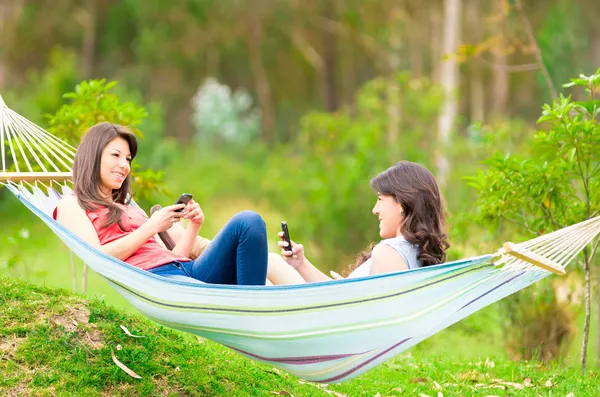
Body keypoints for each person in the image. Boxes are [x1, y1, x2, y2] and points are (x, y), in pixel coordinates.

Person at [54, 122, 268, 286]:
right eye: (116, 155)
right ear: (93, 157)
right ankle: (255, 311)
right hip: (162, 283)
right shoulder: (72, 204)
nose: (124, 165)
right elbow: (97, 257)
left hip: (186, 272)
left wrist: (194, 225)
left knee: (249, 222)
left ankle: (253, 307)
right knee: (246, 221)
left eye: (128, 159)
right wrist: (152, 226)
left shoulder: (128, 207)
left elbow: (174, 258)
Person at [267, 161, 450, 284]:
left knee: (268, 260)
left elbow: (374, 313)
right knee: (270, 267)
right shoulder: (413, 252)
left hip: (331, 323)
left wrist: (345, 291)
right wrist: (301, 264)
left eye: (380, 199)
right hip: (335, 317)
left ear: (402, 203)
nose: (375, 209)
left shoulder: (388, 252)